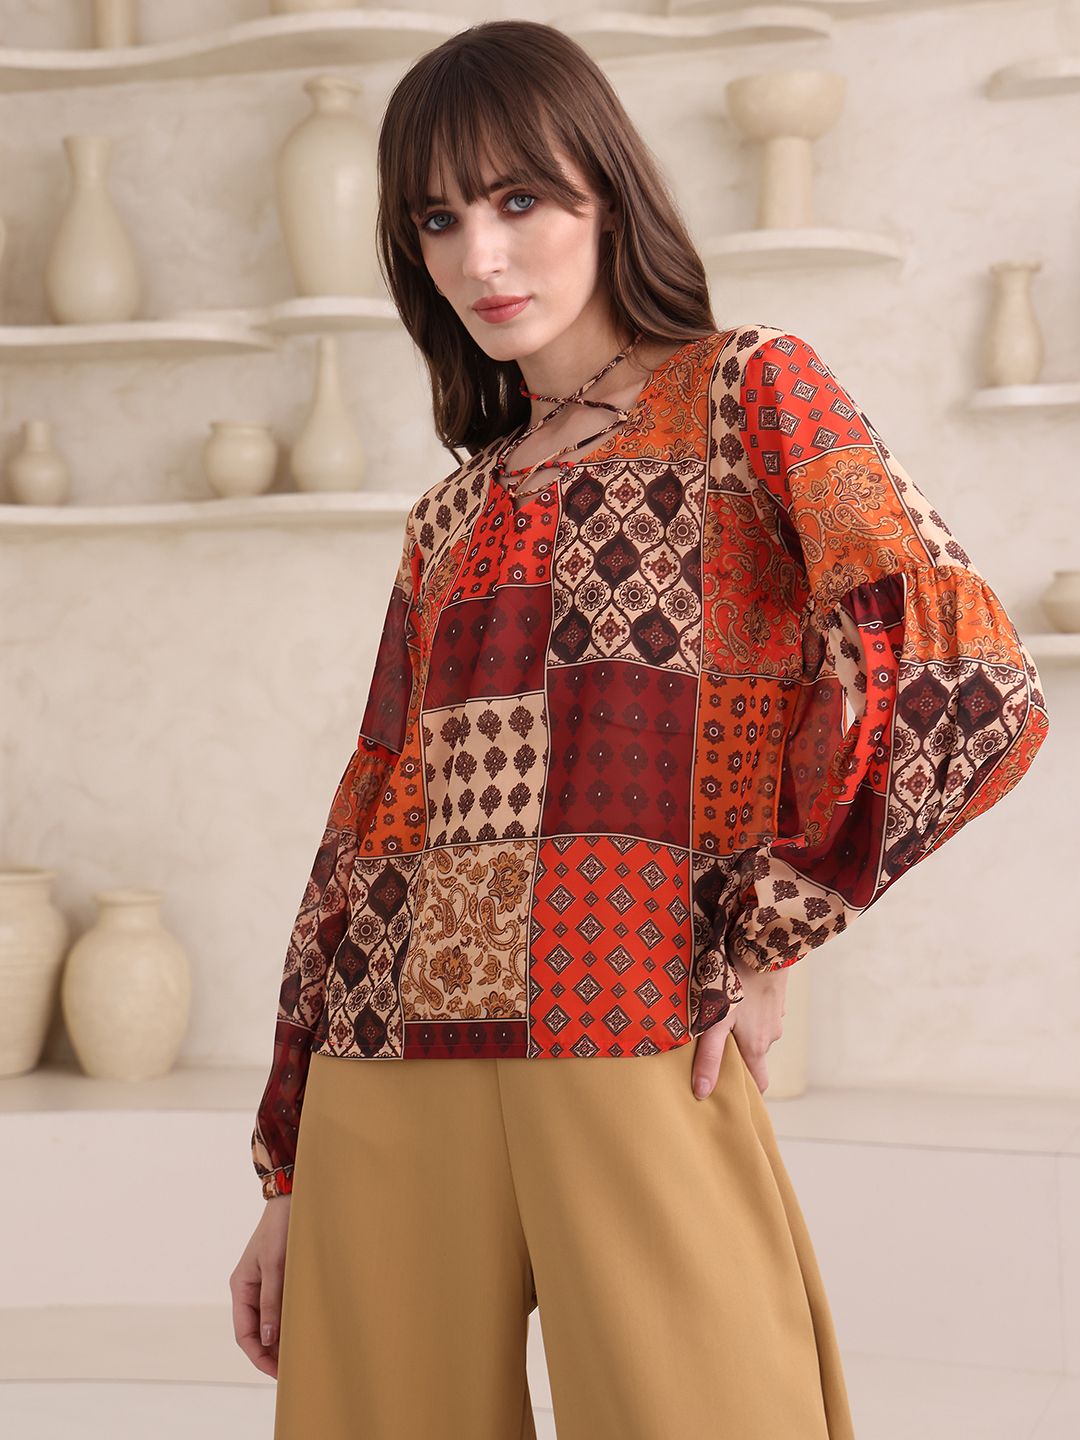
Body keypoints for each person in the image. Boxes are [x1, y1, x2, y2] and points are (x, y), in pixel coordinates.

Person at [229, 19, 1051, 1439]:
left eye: (520, 200)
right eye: (438, 220)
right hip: (388, 1065)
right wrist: (288, 1172)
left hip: (629, 1022)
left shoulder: (745, 392)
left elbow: (965, 677)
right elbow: (369, 824)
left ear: (610, 196)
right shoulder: (449, 512)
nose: (482, 257)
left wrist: (774, 923)